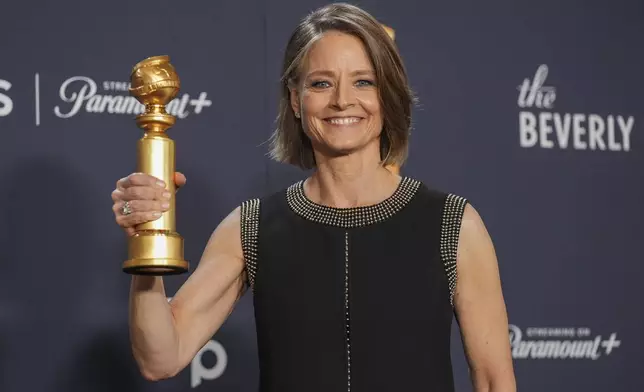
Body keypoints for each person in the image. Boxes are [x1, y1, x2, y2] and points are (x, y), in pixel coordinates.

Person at [111, 3, 516, 391]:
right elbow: (160, 358)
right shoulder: (250, 228)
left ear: (387, 95)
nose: (342, 100)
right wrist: (145, 240)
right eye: (321, 83)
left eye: (364, 81)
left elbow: (494, 381)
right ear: (295, 99)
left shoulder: (452, 224)